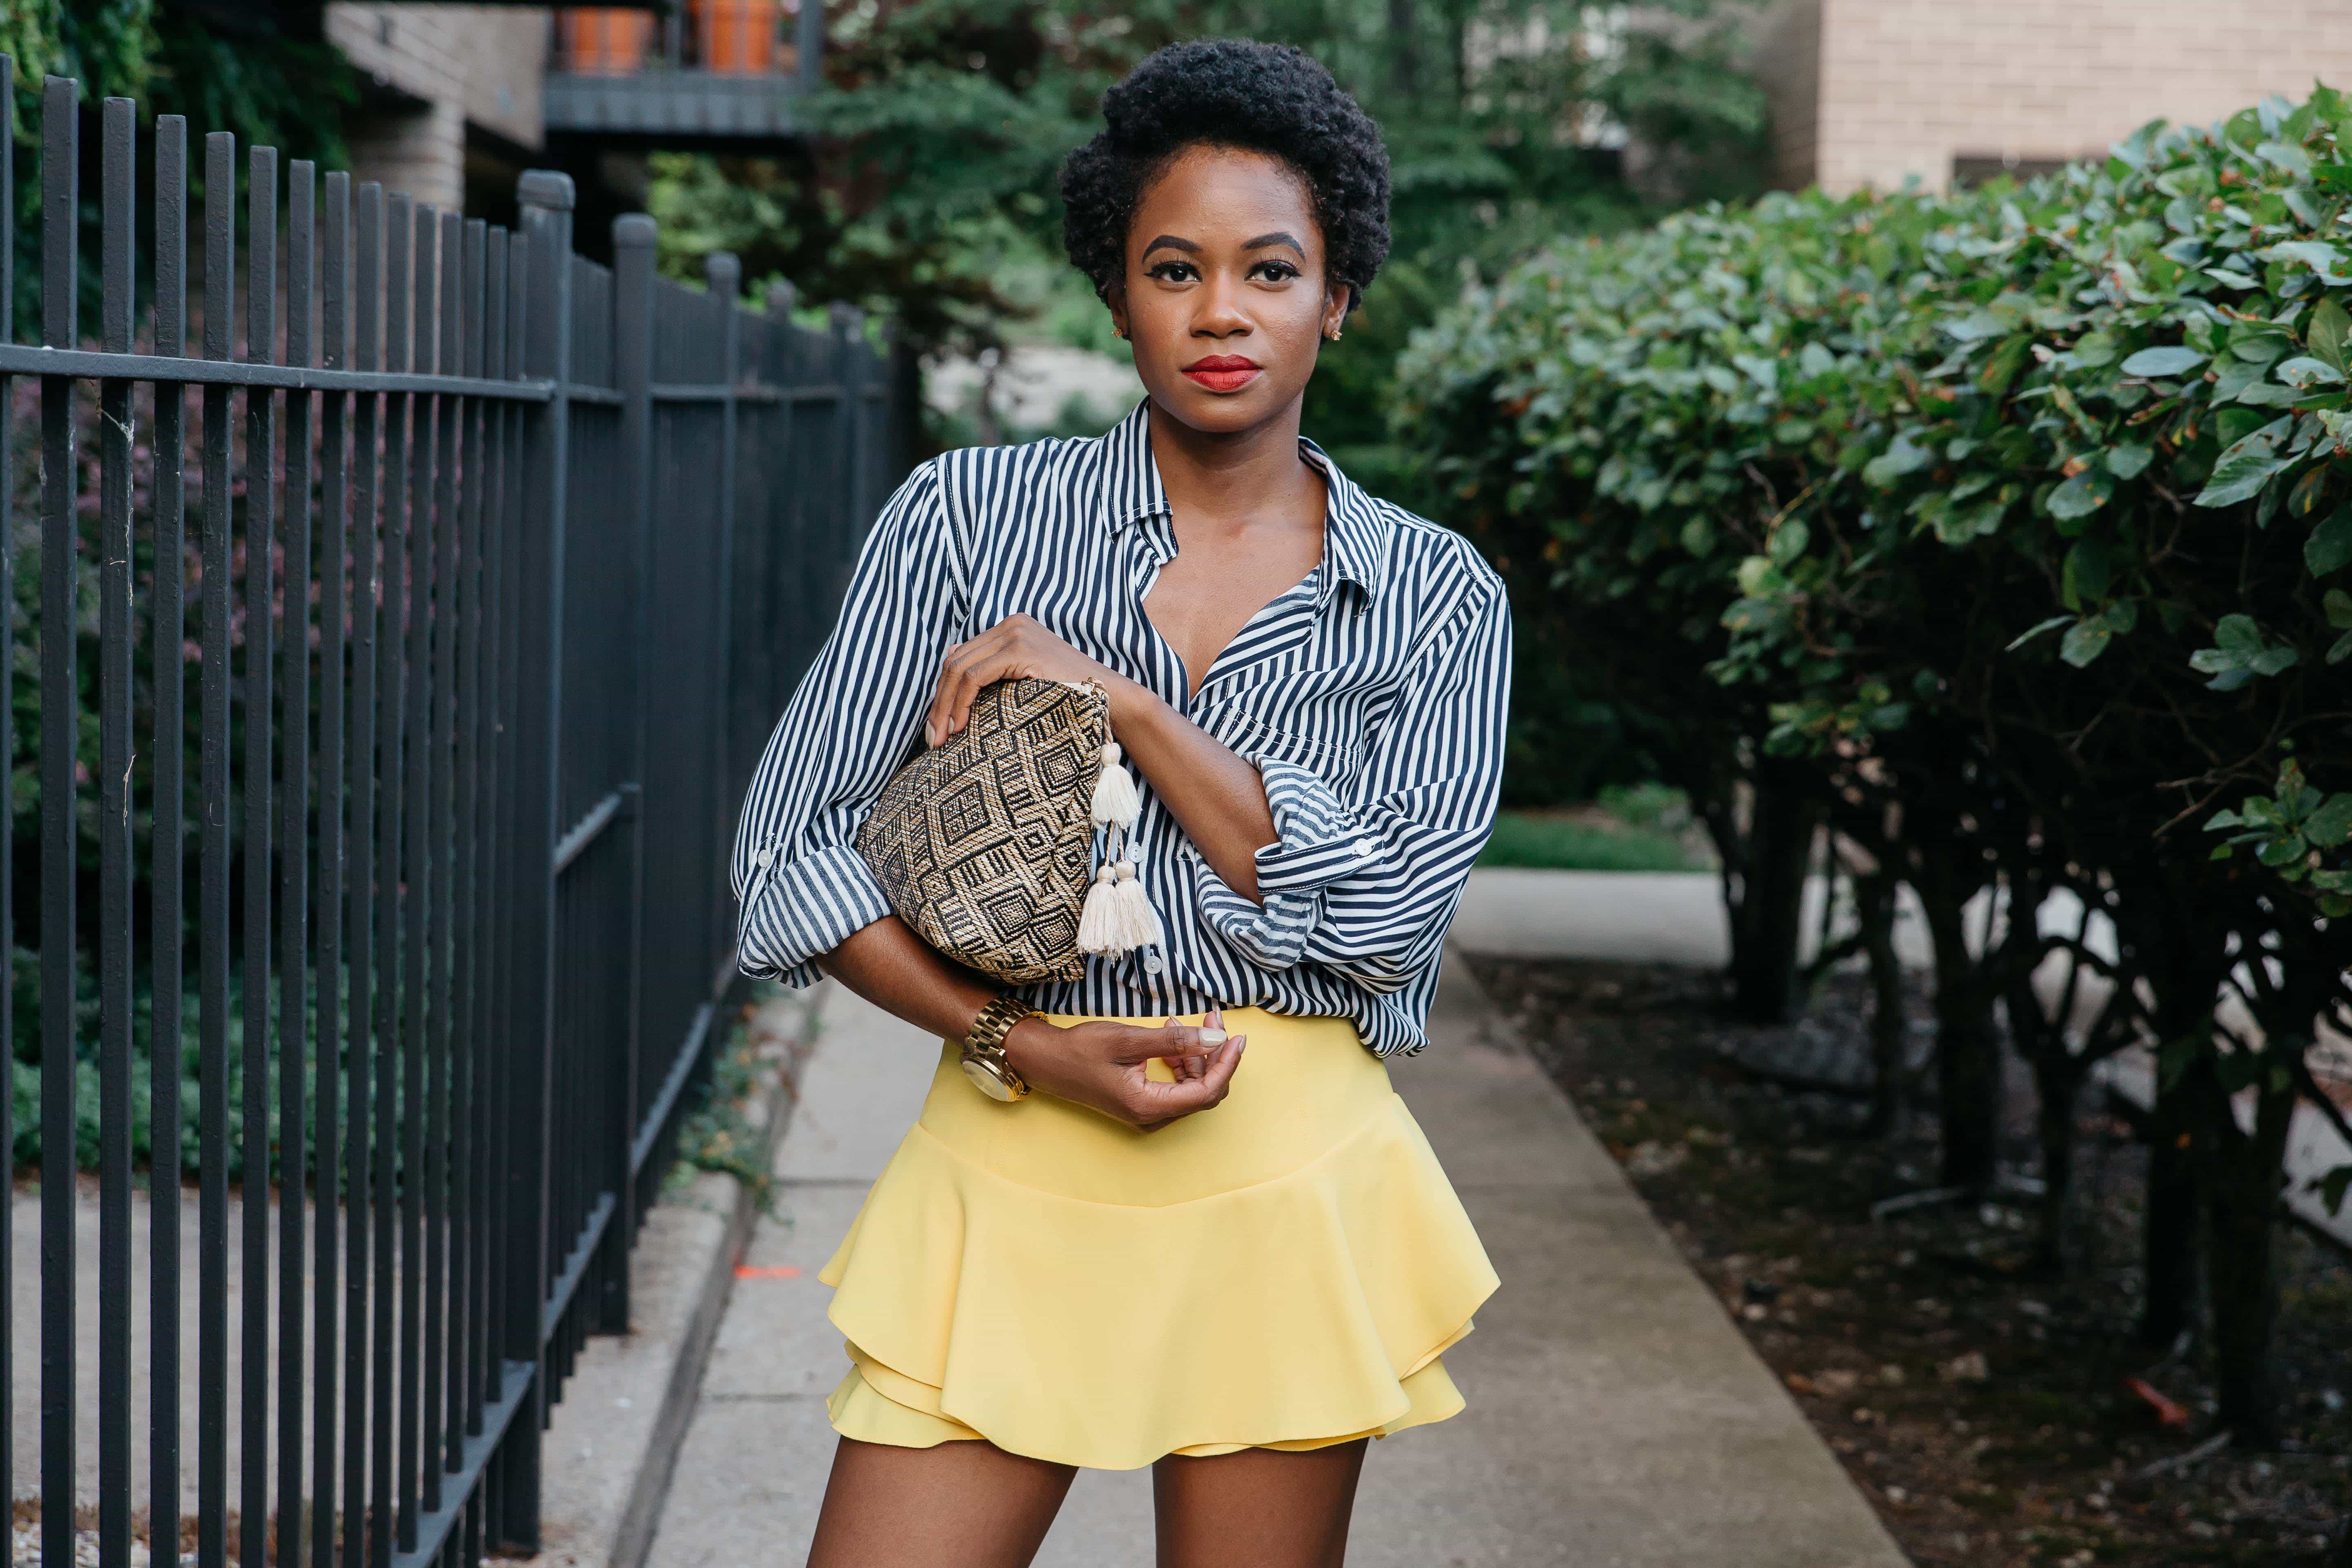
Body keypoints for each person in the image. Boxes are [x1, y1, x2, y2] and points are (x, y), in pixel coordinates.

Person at [731, 37, 1509, 1568]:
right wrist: (1020, 1042)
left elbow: (1393, 916)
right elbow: (787, 860)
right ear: (1117, 293)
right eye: (1175, 268)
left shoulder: (1433, 592)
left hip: (1287, 1181)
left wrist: (1127, 707)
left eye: (1272, 270)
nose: (1223, 310)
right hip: (1013, 1147)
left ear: (1336, 298)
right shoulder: (967, 518)